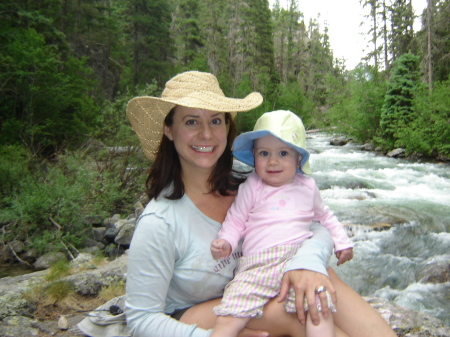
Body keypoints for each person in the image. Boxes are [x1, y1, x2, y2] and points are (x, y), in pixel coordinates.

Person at [119, 70, 397, 337]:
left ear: (227, 127)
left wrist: (307, 261)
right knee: (302, 309)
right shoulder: (160, 222)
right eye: (191, 121)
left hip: (267, 283)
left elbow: (314, 223)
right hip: (197, 316)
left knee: (319, 280)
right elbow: (141, 318)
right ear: (168, 129)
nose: (206, 133)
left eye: (216, 121)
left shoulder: (253, 180)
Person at [209, 110, 354, 337]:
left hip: (297, 262)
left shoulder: (307, 187)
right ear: (254, 155)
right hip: (257, 265)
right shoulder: (252, 186)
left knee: (318, 309)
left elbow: (325, 217)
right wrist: (226, 241)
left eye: (283, 153)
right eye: (264, 153)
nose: (273, 161)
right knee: (228, 317)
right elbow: (236, 219)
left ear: (298, 159)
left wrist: (342, 242)